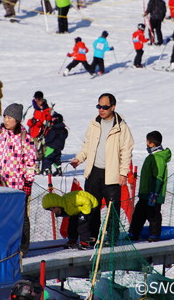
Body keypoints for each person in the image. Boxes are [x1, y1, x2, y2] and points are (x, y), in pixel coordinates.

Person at [70, 93, 134, 245]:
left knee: (113, 209)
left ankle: (112, 238)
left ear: (113, 107)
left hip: (111, 174)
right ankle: (92, 236)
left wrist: (123, 173)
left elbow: (126, 152)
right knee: (92, 206)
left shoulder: (121, 127)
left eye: (105, 107)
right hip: (94, 172)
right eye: (99, 106)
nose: (101, 110)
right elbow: (87, 145)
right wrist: (79, 158)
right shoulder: (94, 123)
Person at [0, 103, 36, 254]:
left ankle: (22, 247)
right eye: (5, 117)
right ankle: (3, 246)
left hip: (17, 186)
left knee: (19, 218)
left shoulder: (25, 139)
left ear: (18, 120)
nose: (7, 120)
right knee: (1, 217)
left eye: (10, 117)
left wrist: (28, 182)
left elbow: (31, 162)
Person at [128, 131, 172, 242]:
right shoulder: (152, 157)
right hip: (145, 193)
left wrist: (155, 192)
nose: (146, 144)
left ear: (151, 144)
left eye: (147, 142)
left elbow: (158, 176)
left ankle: (154, 234)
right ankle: (134, 233)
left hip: (153, 194)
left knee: (153, 214)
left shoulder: (158, 158)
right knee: (139, 213)